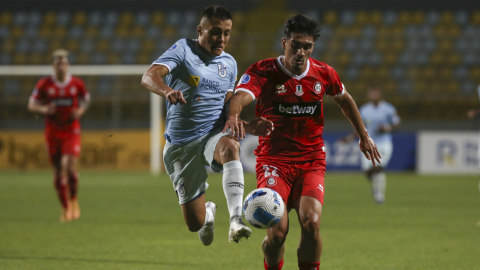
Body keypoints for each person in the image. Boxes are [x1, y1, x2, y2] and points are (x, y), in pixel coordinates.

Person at [224, 14, 381, 270]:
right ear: (284, 42)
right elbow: (242, 95)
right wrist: (234, 116)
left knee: (311, 223)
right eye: (295, 45)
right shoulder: (264, 70)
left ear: (312, 47)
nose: (300, 51)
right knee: (277, 233)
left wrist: (364, 136)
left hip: (311, 161)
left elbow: (344, 99)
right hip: (274, 162)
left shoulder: (323, 73)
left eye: (306, 46)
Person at [141, 5, 257, 245]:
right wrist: (167, 91)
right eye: (216, 32)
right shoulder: (183, 49)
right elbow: (149, 76)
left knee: (230, 148)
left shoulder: (229, 64)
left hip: (211, 136)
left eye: (227, 33)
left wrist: (248, 125)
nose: (222, 39)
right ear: (200, 30)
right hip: (181, 146)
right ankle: (209, 212)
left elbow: (227, 108)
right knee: (195, 224)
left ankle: (236, 220)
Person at [28, 49, 90, 222]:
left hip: (71, 131)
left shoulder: (77, 83)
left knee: (68, 167)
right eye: (58, 64)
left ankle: (74, 199)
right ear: (53, 66)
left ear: (68, 65)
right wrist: (43, 109)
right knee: (57, 171)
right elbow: (31, 104)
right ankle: (65, 207)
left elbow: (86, 98)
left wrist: (80, 111)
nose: (61, 67)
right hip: (53, 133)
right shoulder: (45, 84)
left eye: (64, 63)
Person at [343, 87, 400, 203]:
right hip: (368, 143)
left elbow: (397, 124)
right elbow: (359, 126)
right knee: (368, 172)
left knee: (378, 169)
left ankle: (379, 196)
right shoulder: (364, 110)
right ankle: (375, 186)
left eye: (375, 94)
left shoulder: (388, 109)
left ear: (380, 95)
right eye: (371, 94)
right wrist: (351, 137)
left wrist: (387, 128)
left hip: (384, 143)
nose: (373, 96)